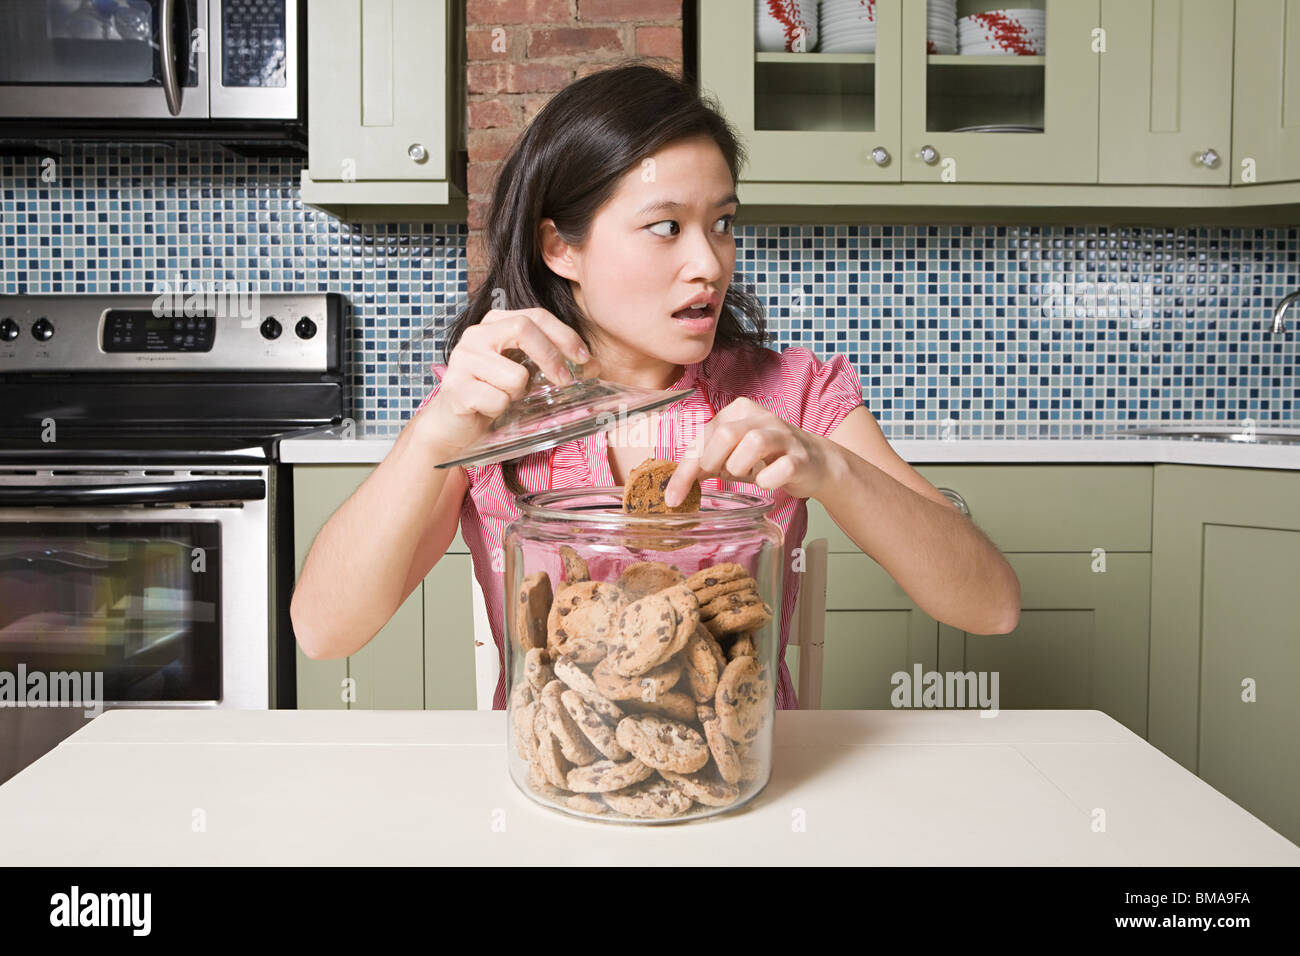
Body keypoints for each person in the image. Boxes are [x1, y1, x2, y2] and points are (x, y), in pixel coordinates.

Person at [291, 63, 1021, 709]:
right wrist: (431, 437)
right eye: (666, 227)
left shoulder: (790, 392)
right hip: (557, 790)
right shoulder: (489, 406)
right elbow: (325, 631)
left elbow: (990, 607)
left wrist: (828, 466)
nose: (709, 262)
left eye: (723, 222)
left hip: (746, 788)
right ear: (561, 247)